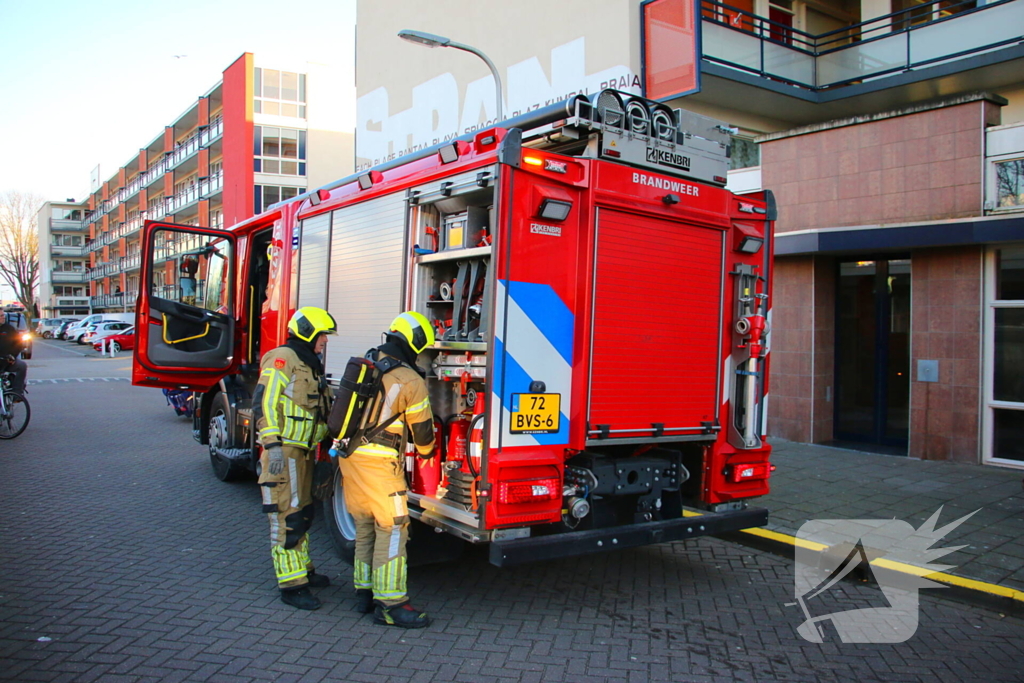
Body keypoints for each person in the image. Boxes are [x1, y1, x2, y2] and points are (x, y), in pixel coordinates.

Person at [340, 311, 436, 628]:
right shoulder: (410, 380)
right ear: (415, 342)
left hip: (350, 458)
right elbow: (423, 434)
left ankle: (364, 594)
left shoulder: (370, 361)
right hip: (380, 465)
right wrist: (428, 453)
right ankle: (391, 604)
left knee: (366, 526)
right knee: (394, 528)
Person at [254, 307, 336, 610]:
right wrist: (272, 445)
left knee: (303, 512)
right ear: (308, 332)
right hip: (285, 450)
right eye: (322, 334)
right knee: (286, 517)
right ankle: (291, 585)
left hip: (304, 451)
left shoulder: (309, 363)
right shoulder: (282, 358)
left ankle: (303, 570)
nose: (325, 340)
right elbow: (265, 401)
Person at [0, 323, 27, 395]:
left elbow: (18, 343)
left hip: (7, 361)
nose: (3, 317)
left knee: (22, 366)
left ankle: (17, 393)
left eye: (3, 315)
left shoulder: (9, 328)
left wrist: (12, 356)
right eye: (1, 316)